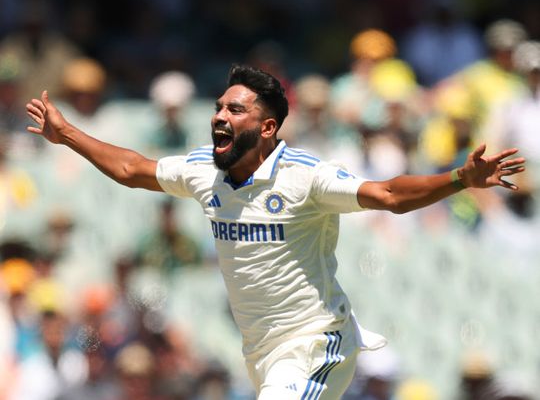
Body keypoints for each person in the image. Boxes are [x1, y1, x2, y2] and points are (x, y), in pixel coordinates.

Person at [25, 65, 525, 400]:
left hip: (316, 342)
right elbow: (133, 168)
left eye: (234, 110)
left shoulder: (305, 175)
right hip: (260, 352)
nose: (219, 115)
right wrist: (66, 133)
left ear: (267, 129)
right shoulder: (204, 170)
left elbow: (390, 195)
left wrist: (460, 178)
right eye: (219, 107)